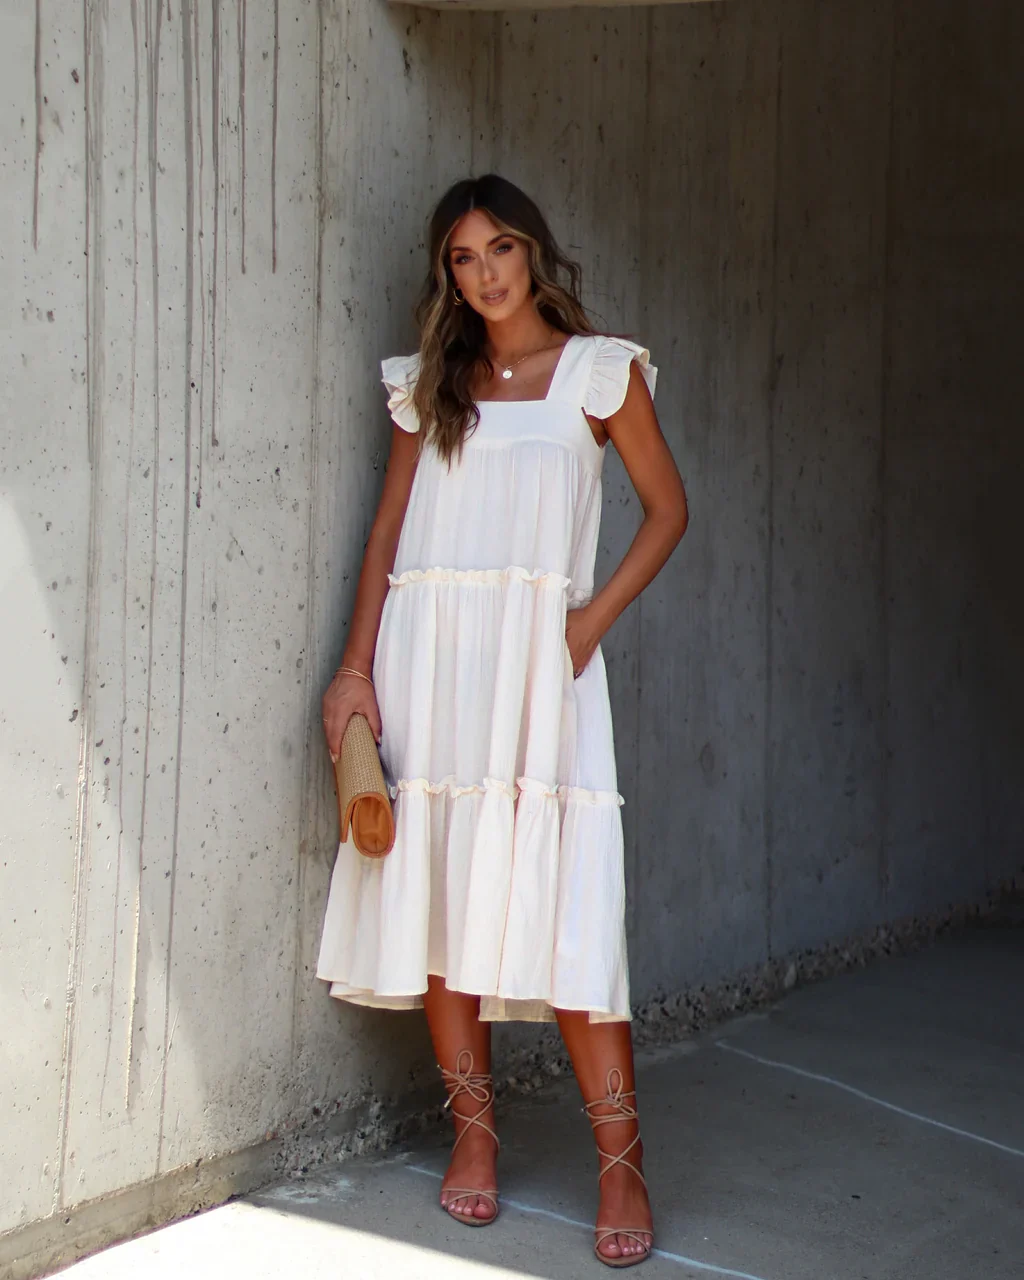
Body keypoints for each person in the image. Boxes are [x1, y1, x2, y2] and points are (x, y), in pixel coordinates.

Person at [317, 173, 688, 1268]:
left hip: (540, 666)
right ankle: (472, 1137)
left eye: (500, 250)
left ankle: (620, 1160)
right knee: (445, 899)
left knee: (570, 913)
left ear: (535, 251)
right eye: (463, 259)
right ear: (448, 273)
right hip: (431, 663)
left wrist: (587, 624)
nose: (484, 275)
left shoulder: (598, 374)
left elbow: (668, 511)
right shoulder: (429, 383)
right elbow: (387, 531)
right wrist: (355, 672)